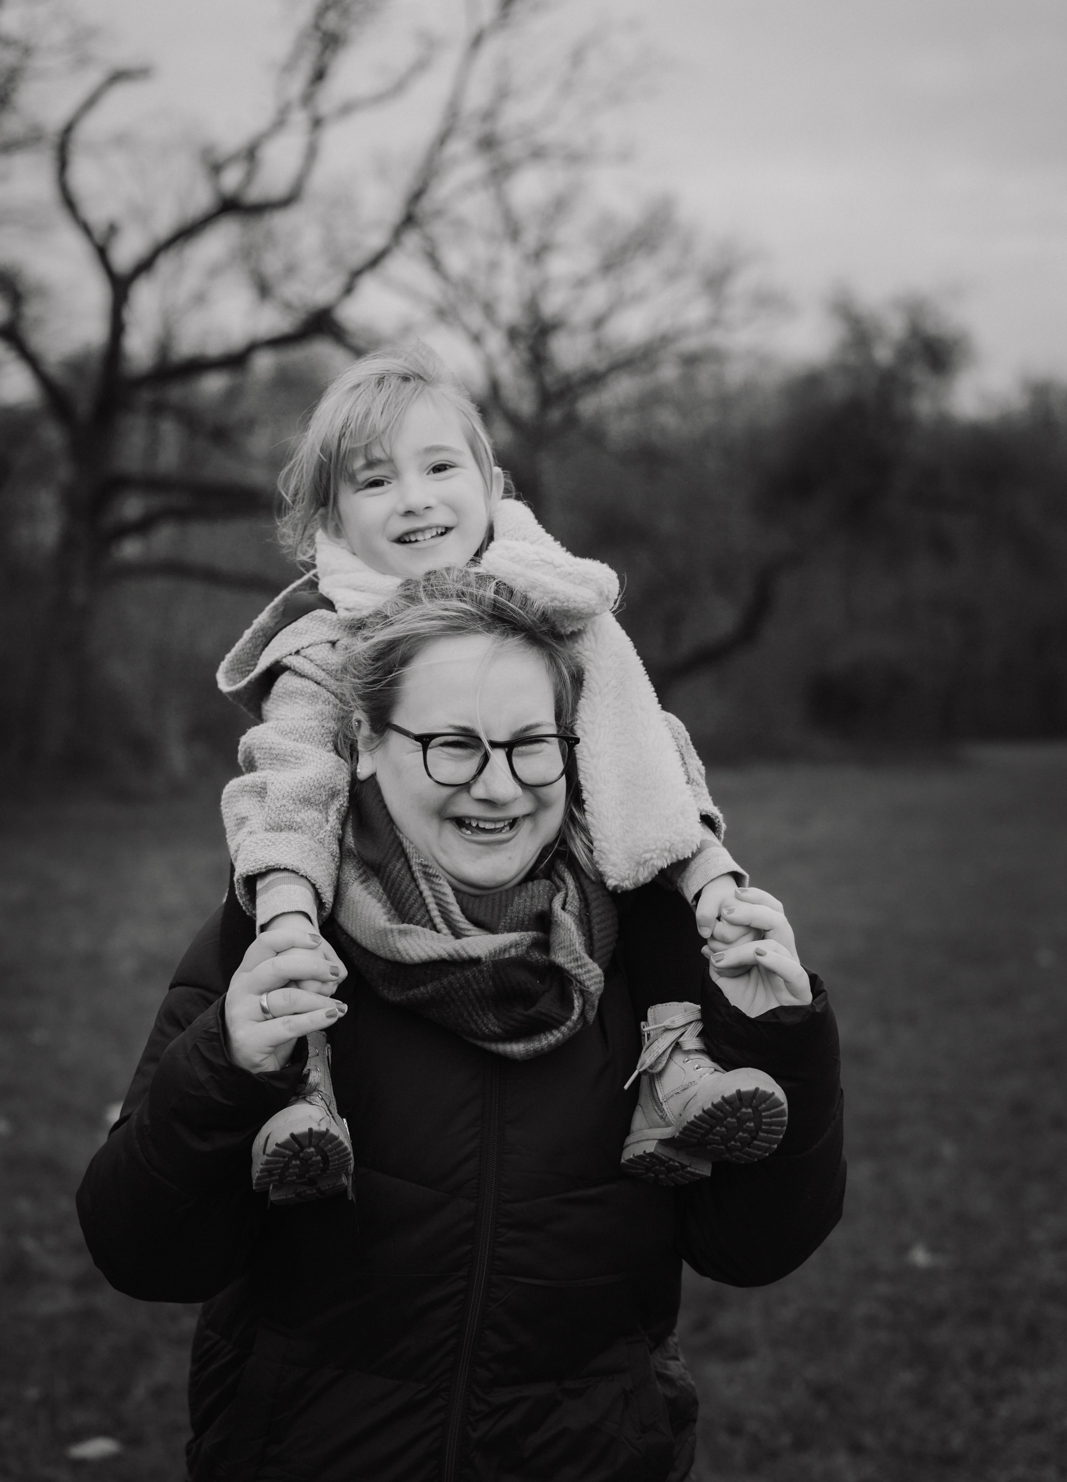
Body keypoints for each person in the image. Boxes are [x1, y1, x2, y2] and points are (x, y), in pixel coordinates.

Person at [77, 569, 845, 1482]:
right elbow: (143, 1251)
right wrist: (228, 1067)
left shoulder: (656, 948)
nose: (499, 787)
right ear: (363, 741)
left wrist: (780, 1036)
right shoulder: (282, 939)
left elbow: (753, 1249)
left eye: (531, 745)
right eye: (453, 745)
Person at [217, 343, 785, 1200]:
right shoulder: (326, 646)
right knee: (300, 881)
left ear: (488, 486)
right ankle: (305, 1090)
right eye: (373, 481)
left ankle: (673, 1058)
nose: (413, 497)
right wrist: (286, 910)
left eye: (439, 466)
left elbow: (640, 742)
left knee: (633, 832)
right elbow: (290, 777)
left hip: (562, 874)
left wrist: (710, 876)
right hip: (380, 882)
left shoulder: (552, 609)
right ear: (330, 523)